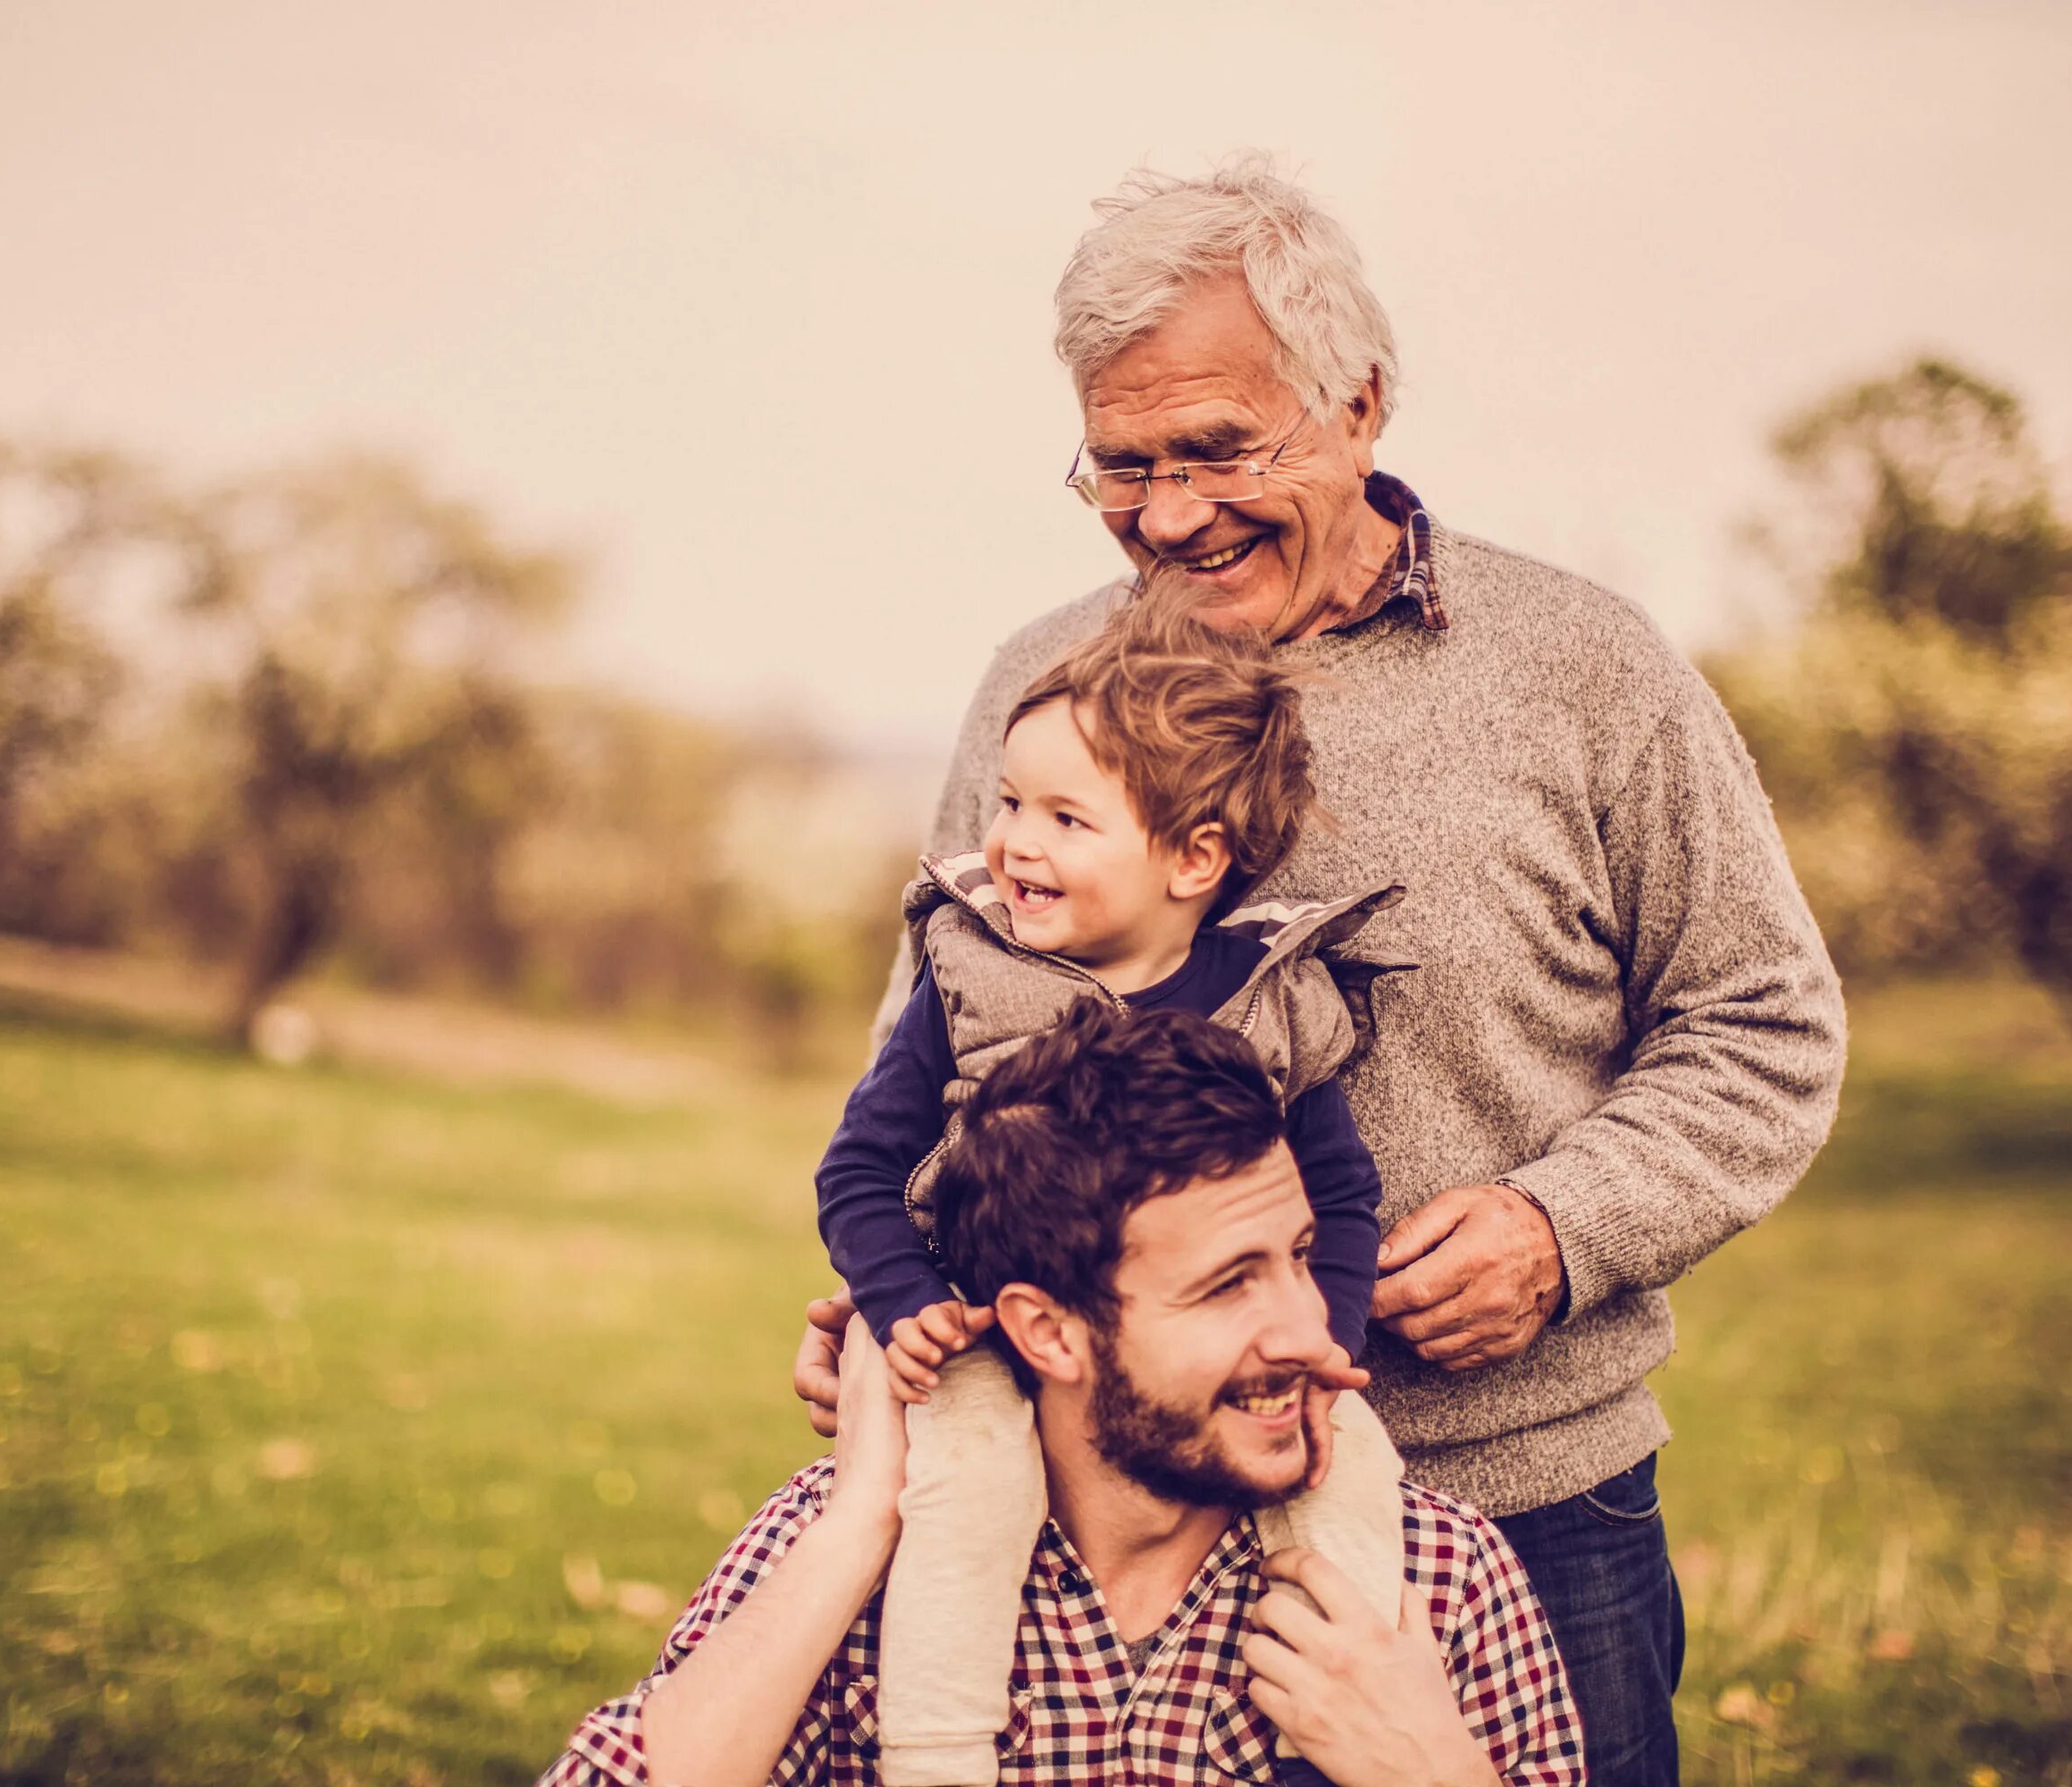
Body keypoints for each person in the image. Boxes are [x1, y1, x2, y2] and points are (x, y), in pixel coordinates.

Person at [795, 156, 1848, 1785]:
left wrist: (1563, 1233)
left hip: (1516, 1500)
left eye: (1218, 449)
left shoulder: (1583, 670)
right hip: (1098, 1530)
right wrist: (903, 1289)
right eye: (1121, 465)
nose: (1166, 514)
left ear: (1360, 404)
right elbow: (940, 1058)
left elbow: (1763, 1023)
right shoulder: (1041, 684)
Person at [538, 1005, 1584, 1787]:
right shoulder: (853, 1548)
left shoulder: (1437, 1581)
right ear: (1048, 1329)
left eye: (1301, 1256)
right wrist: (861, 1514)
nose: (1314, 1334)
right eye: (1228, 1284)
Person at [814, 603, 1405, 1785]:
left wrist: (1320, 1344)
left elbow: (1340, 1195)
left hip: (1204, 1364)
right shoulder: (970, 974)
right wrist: (901, 1299)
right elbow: (859, 1167)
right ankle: (936, 1756)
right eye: (1011, 803)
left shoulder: (1271, 996)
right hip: (984, 1334)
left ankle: (1334, 1735)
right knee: (969, 1487)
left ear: (1195, 857)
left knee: (1358, 1479)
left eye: (1066, 819)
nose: (1014, 843)